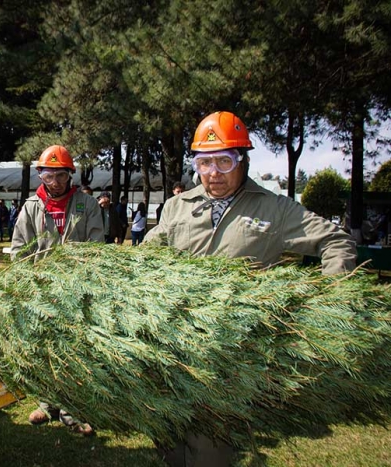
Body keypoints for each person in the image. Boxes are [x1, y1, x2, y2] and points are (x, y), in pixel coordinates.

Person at [144, 111, 356, 466]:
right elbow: (147, 255)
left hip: (230, 357)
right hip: (173, 351)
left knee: (209, 451)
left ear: (242, 160)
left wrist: (333, 303)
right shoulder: (177, 207)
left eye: (224, 161)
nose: (213, 173)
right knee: (170, 444)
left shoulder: (274, 208)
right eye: (204, 162)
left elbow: (336, 241)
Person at [10, 145, 102, 436]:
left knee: (74, 351)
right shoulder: (31, 207)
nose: (56, 182)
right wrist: (29, 280)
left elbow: (97, 248)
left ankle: (72, 410)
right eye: (49, 176)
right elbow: (18, 249)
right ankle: (46, 404)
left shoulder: (87, 206)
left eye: (61, 175)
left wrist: (79, 278)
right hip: (41, 292)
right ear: (40, 175)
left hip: (76, 291)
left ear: (70, 175)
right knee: (43, 349)